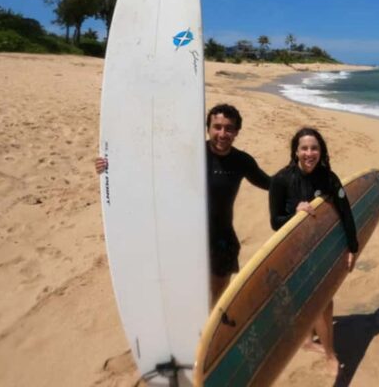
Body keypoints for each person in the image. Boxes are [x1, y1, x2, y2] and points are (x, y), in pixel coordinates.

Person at [95, 104, 270, 305]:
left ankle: (211, 329)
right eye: (217, 127)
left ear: (237, 131)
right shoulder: (189, 154)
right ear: (208, 129)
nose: (223, 133)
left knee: (218, 295)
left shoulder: (242, 161)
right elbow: (148, 171)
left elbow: (270, 184)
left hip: (222, 238)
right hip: (185, 236)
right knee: (184, 293)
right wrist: (110, 167)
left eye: (229, 128)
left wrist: (301, 182)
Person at [268, 127, 358, 375]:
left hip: (320, 248)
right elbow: (275, 222)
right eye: (304, 148)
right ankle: (323, 350)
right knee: (314, 300)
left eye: (314, 148)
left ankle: (318, 345)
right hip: (293, 249)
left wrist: (352, 248)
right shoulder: (281, 180)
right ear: (295, 151)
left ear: (321, 151)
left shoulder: (329, 178)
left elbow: (345, 212)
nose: (309, 153)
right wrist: (294, 215)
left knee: (321, 300)